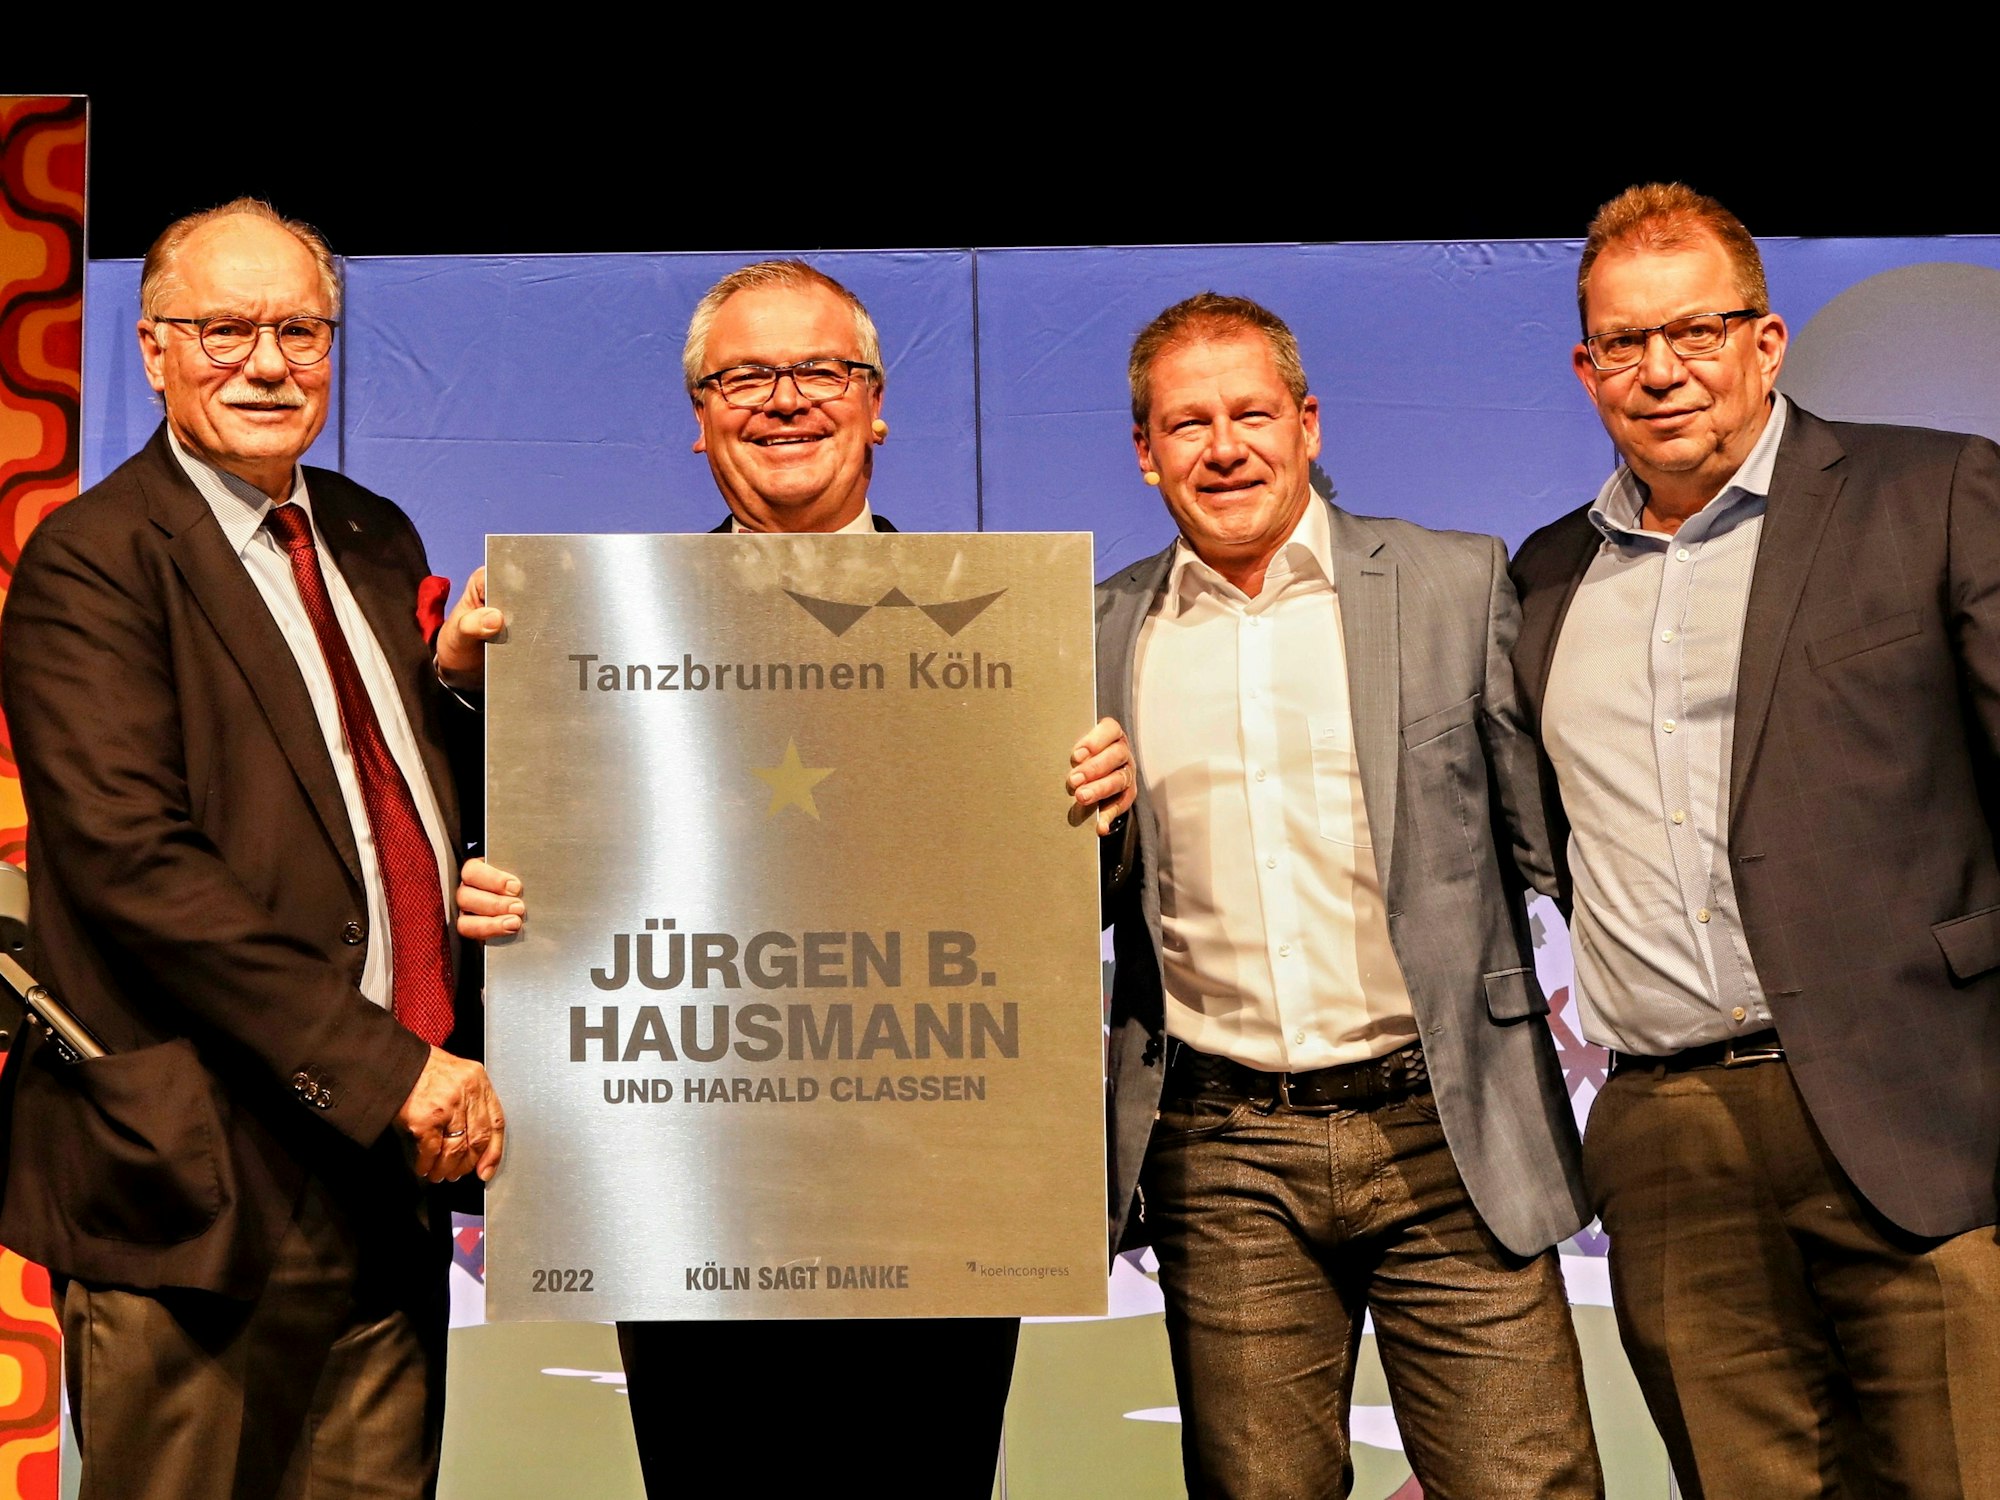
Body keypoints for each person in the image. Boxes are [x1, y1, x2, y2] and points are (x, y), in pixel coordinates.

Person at [0, 199, 507, 1500]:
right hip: (198, 1191)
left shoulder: (371, 532)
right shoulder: (92, 563)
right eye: (226, 329)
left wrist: (456, 705)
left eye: (301, 328)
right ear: (155, 348)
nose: (269, 362)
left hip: (381, 1187)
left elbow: (370, 805)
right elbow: (134, 866)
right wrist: (392, 1068)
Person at [1510, 182, 2000, 1500]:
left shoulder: (1936, 491)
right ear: (1585, 365)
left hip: (1916, 1115)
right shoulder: (1543, 581)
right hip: (1672, 1142)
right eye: (1624, 342)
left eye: (1697, 332)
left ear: (1767, 343)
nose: (1661, 371)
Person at [1073, 293, 1601, 1499]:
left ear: (1306, 425)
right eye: (1186, 422)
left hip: (1445, 1129)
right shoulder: (1098, 630)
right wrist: (1083, 839)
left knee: (1527, 1486)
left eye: (1251, 412)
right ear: (1144, 451)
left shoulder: (1449, 583)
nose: (1223, 446)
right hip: (1222, 1151)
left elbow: (1551, 846)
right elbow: (1084, 903)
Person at [600, 259, 1018, 1498]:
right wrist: (504, 904)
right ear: (698, 416)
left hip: (932, 1193)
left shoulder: (998, 629)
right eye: (743, 376)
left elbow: (1061, 914)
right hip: (692, 1199)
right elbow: (551, 883)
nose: (783, 400)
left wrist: (1088, 826)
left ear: (876, 402)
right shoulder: (606, 635)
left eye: (818, 371)